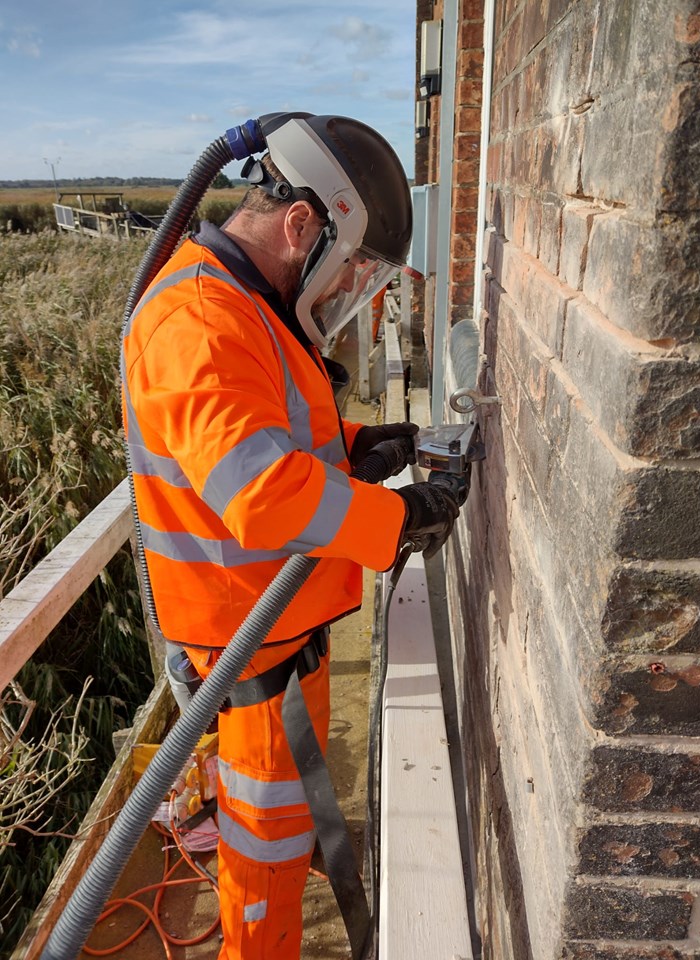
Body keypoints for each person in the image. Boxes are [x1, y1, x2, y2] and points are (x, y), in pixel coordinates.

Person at [122, 112, 459, 959]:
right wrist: (402, 516)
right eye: (350, 268)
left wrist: (358, 450)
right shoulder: (197, 320)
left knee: (279, 840)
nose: (349, 291)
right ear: (302, 223)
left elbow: (274, 439)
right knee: (263, 862)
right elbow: (264, 493)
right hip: (250, 653)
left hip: (278, 633)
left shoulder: (240, 305)